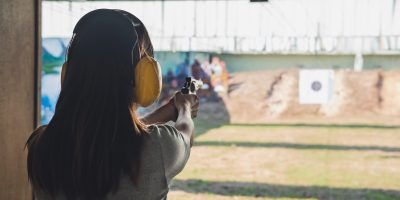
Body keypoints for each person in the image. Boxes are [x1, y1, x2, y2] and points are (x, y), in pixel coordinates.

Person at [26, 9, 199, 200]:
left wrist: (166, 111)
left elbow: (105, 134)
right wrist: (184, 107)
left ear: (68, 75)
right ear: (140, 77)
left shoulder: (40, 146)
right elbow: (185, 131)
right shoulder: (158, 147)